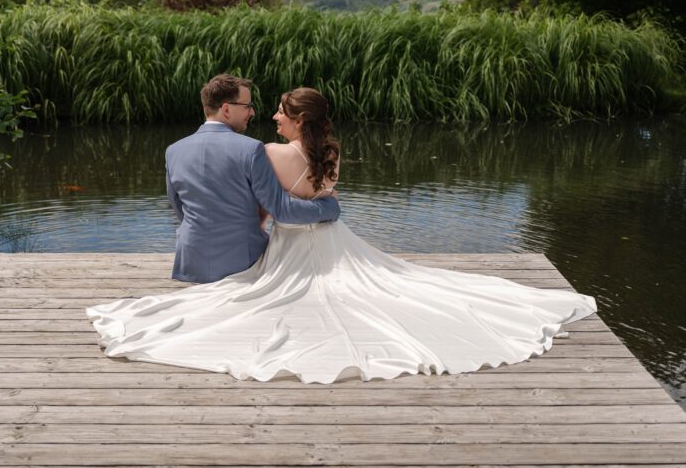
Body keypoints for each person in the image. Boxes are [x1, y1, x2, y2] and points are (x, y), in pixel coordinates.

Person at [87, 87, 597, 384]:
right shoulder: (328, 148)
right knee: (388, 283)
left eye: (281, 112)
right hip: (334, 241)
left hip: (290, 245)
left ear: (296, 118)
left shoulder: (268, 151)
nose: (270, 116)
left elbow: (276, 207)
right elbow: (309, 198)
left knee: (280, 299)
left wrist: (263, 214)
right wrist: (329, 208)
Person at [163, 74, 340, 284]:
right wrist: (330, 207)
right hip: (241, 262)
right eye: (247, 106)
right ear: (226, 109)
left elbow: (178, 207)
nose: (253, 112)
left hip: (191, 260)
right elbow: (282, 210)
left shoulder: (173, 151)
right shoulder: (251, 149)